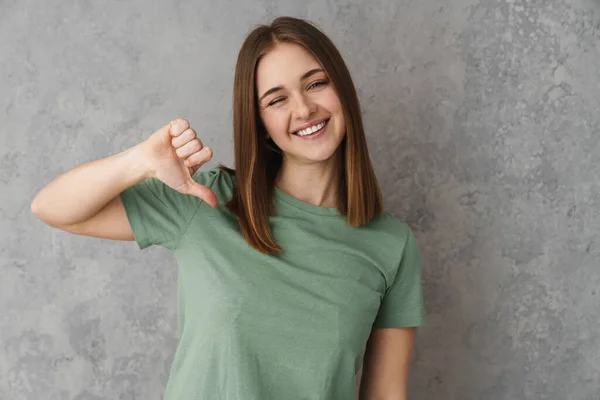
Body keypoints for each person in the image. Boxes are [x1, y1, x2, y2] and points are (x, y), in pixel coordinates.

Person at [31, 16, 425, 400]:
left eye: (316, 83)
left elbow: (386, 392)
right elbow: (52, 207)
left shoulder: (392, 244)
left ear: (343, 89)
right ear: (260, 124)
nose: (304, 109)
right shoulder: (205, 200)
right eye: (277, 99)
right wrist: (139, 161)